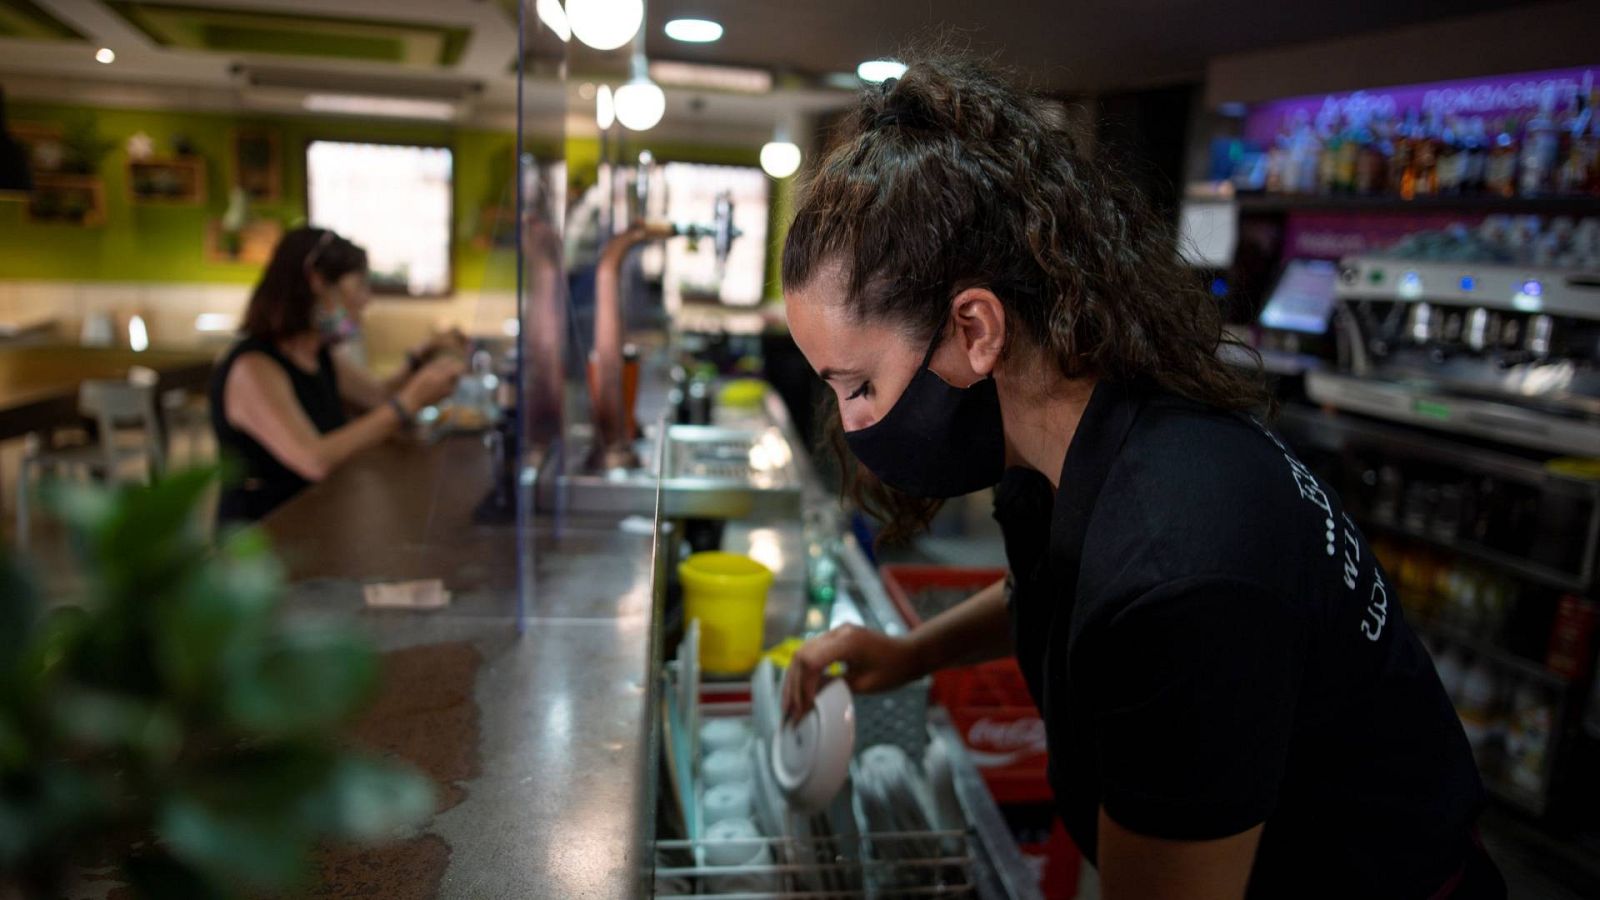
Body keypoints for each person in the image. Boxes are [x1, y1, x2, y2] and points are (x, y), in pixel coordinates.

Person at [779, 57, 1504, 899]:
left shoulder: (1179, 574)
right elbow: (1058, 589)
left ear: (976, 329)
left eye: (859, 387)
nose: (855, 426)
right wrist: (909, 654)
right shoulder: (1083, 432)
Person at [209, 227, 464, 523]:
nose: (366, 300)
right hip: (260, 538)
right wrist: (408, 403)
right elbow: (313, 460)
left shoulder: (318, 355)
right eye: (358, 285)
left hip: (312, 519)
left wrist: (419, 358)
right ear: (317, 282)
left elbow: (380, 396)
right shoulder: (252, 367)